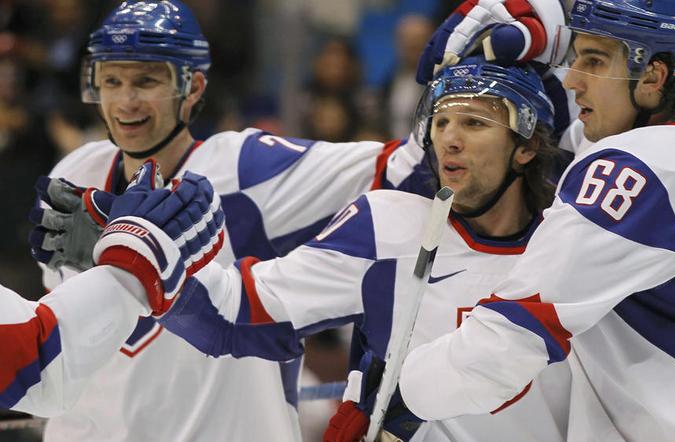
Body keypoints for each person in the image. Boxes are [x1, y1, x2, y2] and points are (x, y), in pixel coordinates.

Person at [30, 1, 568, 440]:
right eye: (112, 81)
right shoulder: (75, 171)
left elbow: (405, 168)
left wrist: (522, 55)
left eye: (146, 81)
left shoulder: (250, 166)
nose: (125, 101)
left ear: (192, 88)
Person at [395, 1, 675, 440]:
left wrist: (403, 392)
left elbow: (515, 333)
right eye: (574, 56)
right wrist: (542, 47)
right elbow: (585, 135)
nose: (573, 79)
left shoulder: (640, 174)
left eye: (594, 61)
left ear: (654, 76)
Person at [2, 161, 223, 418]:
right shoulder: (79, 163)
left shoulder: (244, 161)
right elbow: (38, 367)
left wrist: (117, 263)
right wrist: (131, 262)